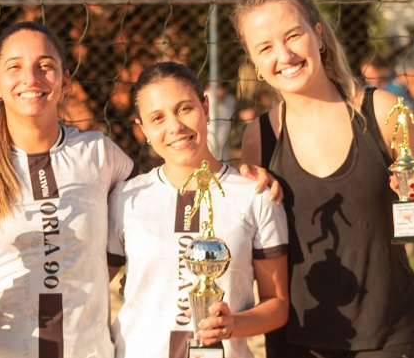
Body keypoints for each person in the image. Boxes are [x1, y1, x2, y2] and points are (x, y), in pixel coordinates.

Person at [232, 0, 414, 357]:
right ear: (254, 62)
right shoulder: (259, 137)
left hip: (387, 336)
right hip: (297, 341)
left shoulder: (385, 111)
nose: (284, 56)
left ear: (318, 35)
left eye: (293, 36)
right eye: (265, 47)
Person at [0, 21, 137, 358]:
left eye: (45, 66)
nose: (32, 78)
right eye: (15, 67)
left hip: (85, 350)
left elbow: (156, 203)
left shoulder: (99, 154)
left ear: (65, 81)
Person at [107, 61, 289, 358]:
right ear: (142, 129)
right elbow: (87, 283)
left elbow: (277, 305)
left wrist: (232, 325)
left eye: (184, 109)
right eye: (157, 117)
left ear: (205, 107)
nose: (175, 127)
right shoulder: (126, 198)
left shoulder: (255, 194)